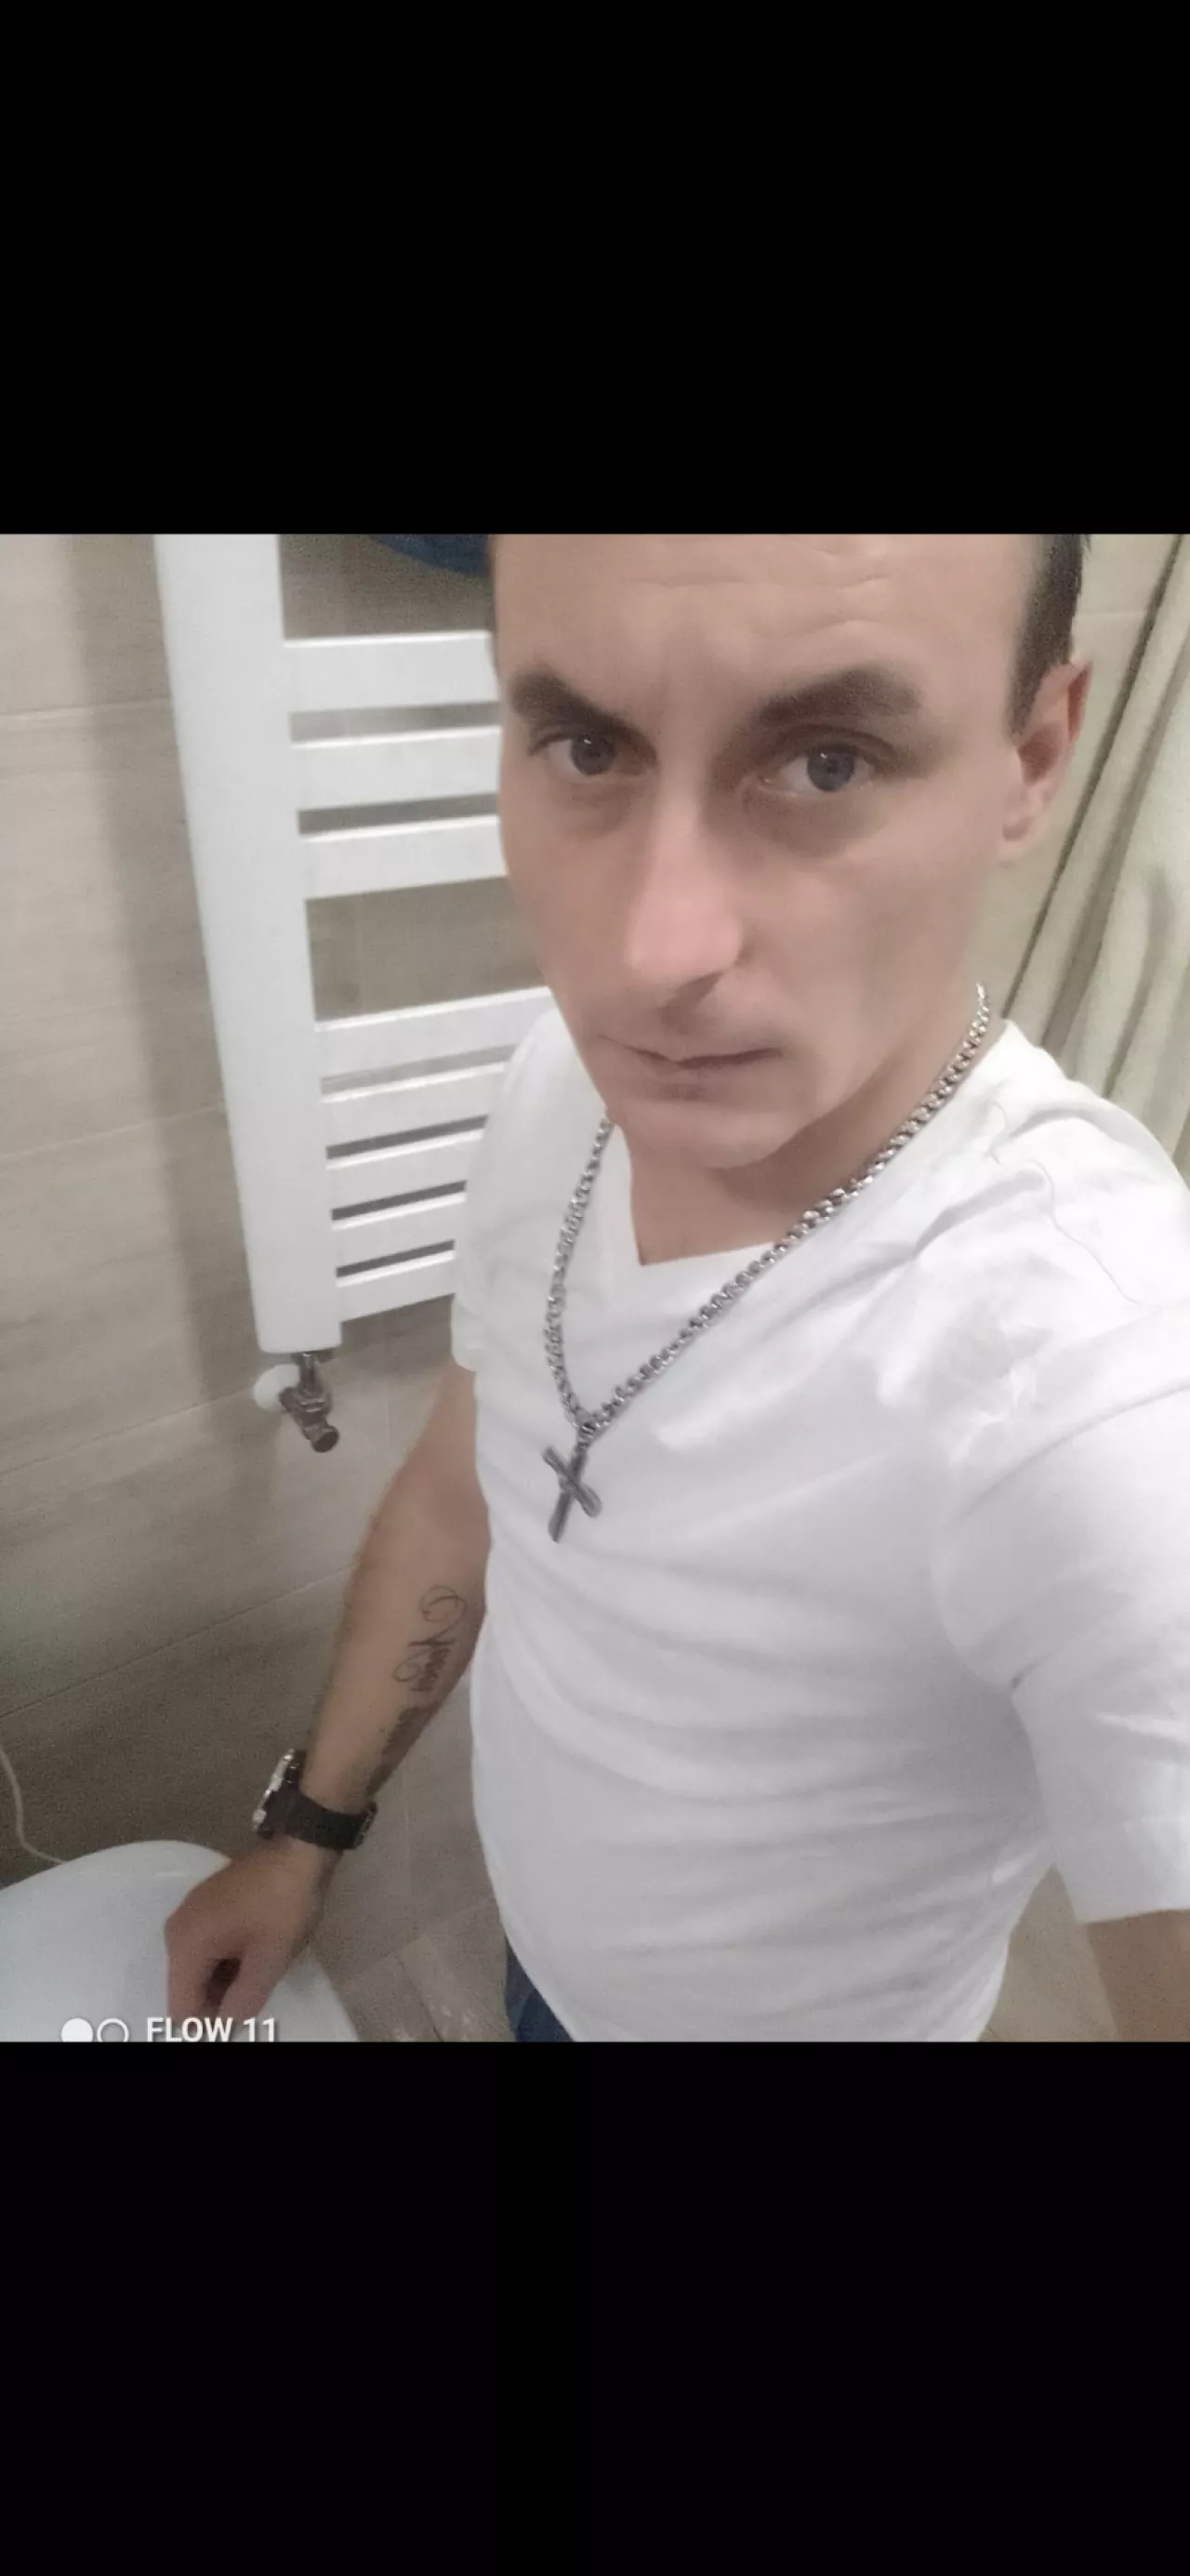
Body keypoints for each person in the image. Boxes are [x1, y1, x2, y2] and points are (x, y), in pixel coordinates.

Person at [167, 534, 1190, 2044]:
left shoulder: (1096, 1390)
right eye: (588, 746)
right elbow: (465, 1488)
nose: (650, 957)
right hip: (543, 1974)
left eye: (827, 760)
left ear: (1031, 756)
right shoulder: (561, 1082)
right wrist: (306, 1832)